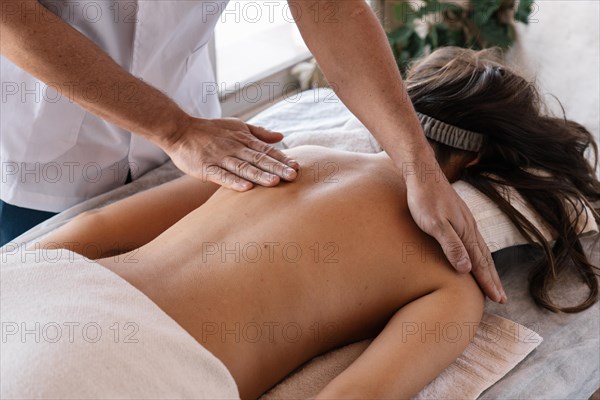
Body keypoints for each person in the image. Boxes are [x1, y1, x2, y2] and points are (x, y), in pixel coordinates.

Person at [32, 47, 599, 397]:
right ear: (482, 166)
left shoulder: (288, 156)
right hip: (138, 368)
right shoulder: (453, 275)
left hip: (51, 303)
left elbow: (93, 230)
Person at [0, 0, 505, 302]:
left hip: (187, 126)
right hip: (42, 143)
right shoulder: (451, 288)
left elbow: (328, 8)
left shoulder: (302, 161)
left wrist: (419, 168)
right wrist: (172, 128)